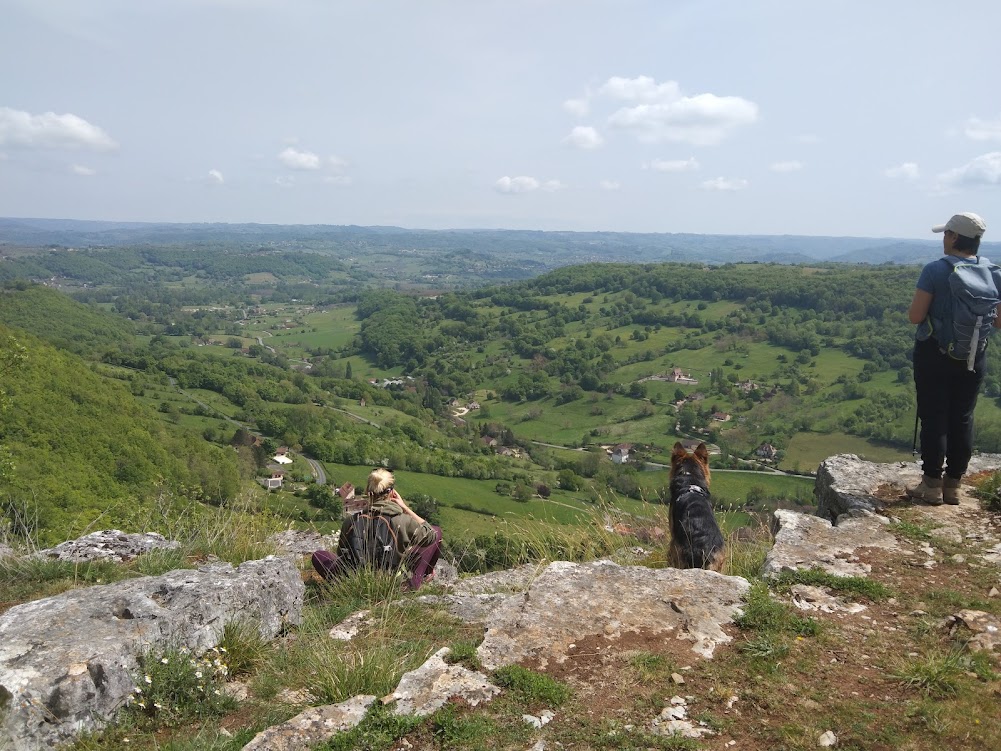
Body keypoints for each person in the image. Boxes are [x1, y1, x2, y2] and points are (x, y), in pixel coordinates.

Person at [907, 211, 996, 505]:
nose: (944, 239)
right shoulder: (993, 272)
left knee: (934, 417)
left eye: (946, 234)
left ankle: (931, 484)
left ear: (955, 237)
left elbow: (916, 316)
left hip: (934, 354)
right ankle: (953, 486)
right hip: (974, 356)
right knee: (963, 417)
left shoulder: (935, 270)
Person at [312, 468, 442, 589]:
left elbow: (342, 554)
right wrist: (405, 508)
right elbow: (430, 535)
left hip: (357, 581)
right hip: (392, 585)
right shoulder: (403, 521)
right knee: (436, 530)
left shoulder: (351, 521)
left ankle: (347, 586)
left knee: (319, 555)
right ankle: (416, 580)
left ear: (367, 492)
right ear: (391, 492)